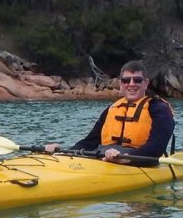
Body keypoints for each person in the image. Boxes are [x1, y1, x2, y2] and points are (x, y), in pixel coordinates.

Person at [45, 60, 175, 161]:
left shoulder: (159, 109)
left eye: (137, 80)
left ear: (146, 83)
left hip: (138, 160)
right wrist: (63, 153)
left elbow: (156, 148)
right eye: (126, 80)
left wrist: (126, 158)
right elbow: (90, 142)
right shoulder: (112, 109)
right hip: (105, 158)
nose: (131, 84)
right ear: (120, 84)